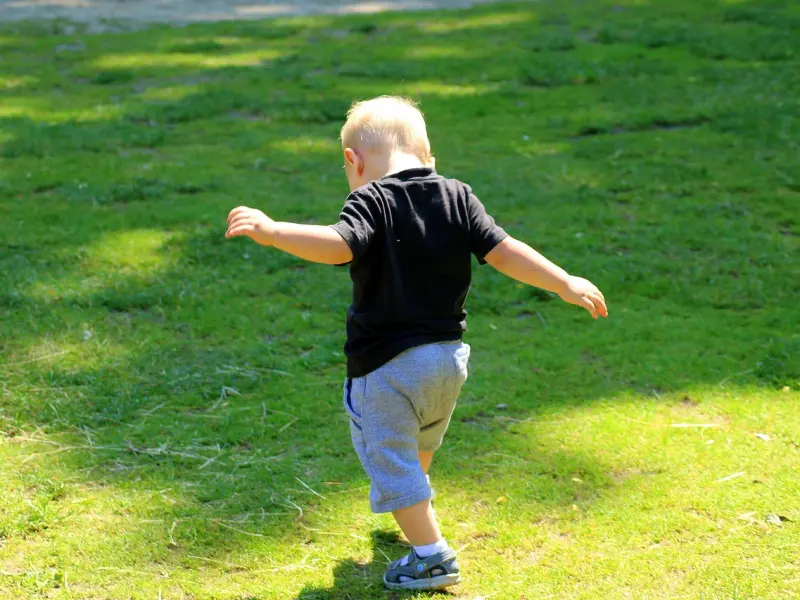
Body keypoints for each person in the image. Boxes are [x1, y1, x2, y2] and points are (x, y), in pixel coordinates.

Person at [225, 96, 608, 591]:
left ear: (354, 161)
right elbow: (504, 250)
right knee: (419, 444)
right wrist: (563, 281)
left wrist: (275, 231)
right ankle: (416, 517)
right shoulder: (457, 195)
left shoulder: (371, 199)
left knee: (389, 457)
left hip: (387, 366)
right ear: (429, 155)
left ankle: (431, 556)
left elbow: (339, 246)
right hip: (448, 360)